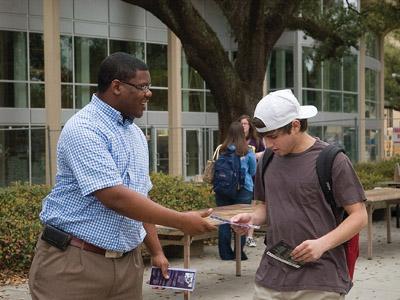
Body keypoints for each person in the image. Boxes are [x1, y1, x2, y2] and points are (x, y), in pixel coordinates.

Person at [28, 52, 215, 300]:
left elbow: (140, 199)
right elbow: (114, 196)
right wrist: (181, 221)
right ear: (116, 86)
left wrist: (157, 252)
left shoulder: (135, 135)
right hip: (73, 264)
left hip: (128, 266)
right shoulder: (83, 129)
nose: (149, 93)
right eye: (142, 87)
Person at [231, 89, 367, 299]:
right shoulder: (267, 160)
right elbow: (263, 207)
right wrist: (251, 219)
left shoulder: (332, 160)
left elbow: (359, 216)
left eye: (273, 137)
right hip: (270, 277)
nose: (268, 144)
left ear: (295, 125)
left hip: (320, 281)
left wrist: (322, 244)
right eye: (264, 138)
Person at [215, 121, 256, 260]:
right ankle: (239, 253)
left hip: (223, 189)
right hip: (243, 189)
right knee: (241, 221)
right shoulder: (248, 150)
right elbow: (253, 170)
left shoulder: (221, 149)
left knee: (224, 220)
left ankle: (225, 253)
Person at [238, 114, 265, 247]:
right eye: (241, 124)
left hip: (254, 177)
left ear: (250, 126)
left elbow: (265, 153)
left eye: (245, 124)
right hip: (241, 180)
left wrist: (254, 155)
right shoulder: (235, 140)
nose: (243, 126)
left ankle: (250, 236)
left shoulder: (257, 140)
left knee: (254, 207)